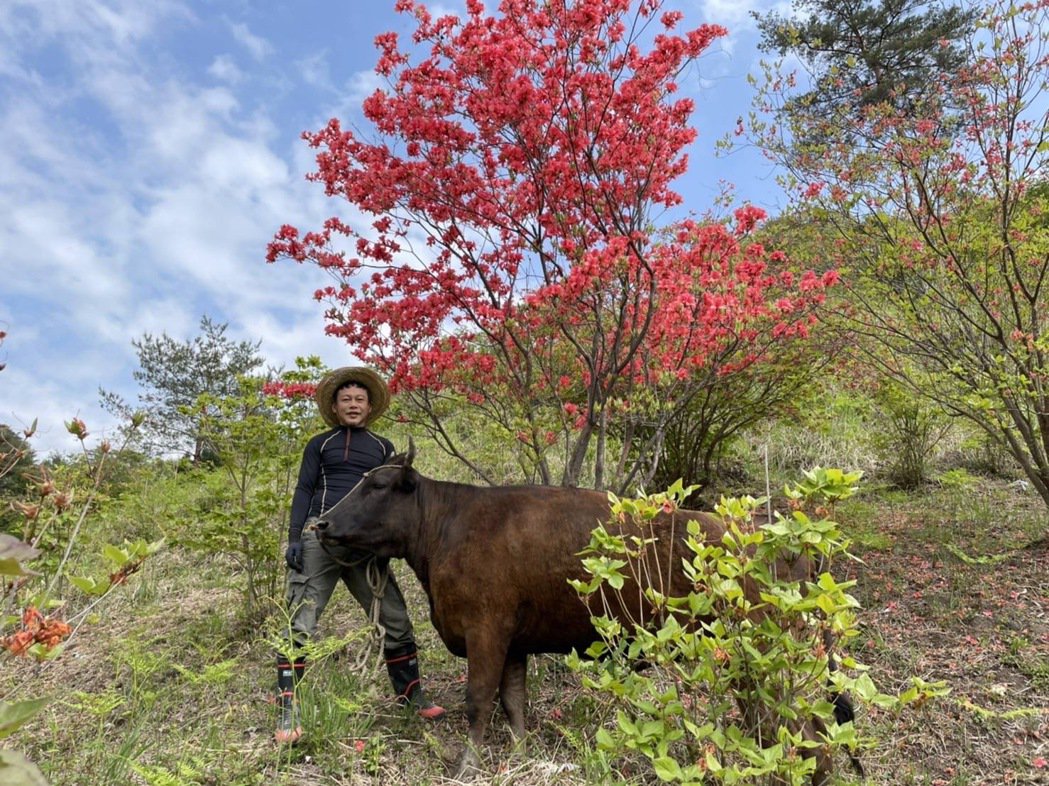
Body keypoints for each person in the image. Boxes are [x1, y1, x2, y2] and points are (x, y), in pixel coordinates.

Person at [275, 366, 445, 744]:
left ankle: (412, 698)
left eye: (359, 400)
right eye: (345, 400)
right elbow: (304, 491)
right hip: (320, 538)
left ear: (369, 408)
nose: (353, 405)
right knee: (299, 624)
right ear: (335, 408)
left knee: (396, 618)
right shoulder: (319, 444)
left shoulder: (383, 448)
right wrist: (294, 539)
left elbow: (389, 502)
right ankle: (288, 711)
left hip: (364, 545)